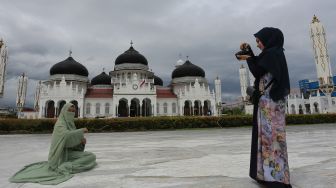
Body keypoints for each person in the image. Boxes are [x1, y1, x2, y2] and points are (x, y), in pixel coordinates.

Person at [237, 27, 291, 188]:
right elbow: (260, 67)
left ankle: (276, 178)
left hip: (270, 105)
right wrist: (248, 52)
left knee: (271, 139)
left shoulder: (272, 54)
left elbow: (256, 70)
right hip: (270, 104)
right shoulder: (274, 54)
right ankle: (266, 174)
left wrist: (247, 54)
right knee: (269, 139)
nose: (259, 44)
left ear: (268, 40)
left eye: (259, 41)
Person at [10, 103, 96, 185]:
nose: (71, 113)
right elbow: (65, 136)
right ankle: (65, 167)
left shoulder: (71, 124)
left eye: (73, 112)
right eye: (69, 111)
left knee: (91, 156)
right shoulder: (60, 124)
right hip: (60, 155)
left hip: (68, 153)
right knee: (88, 159)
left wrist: (81, 143)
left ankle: (67, 165)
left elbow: (70, 143)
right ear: (63, 112)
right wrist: (80, 131)